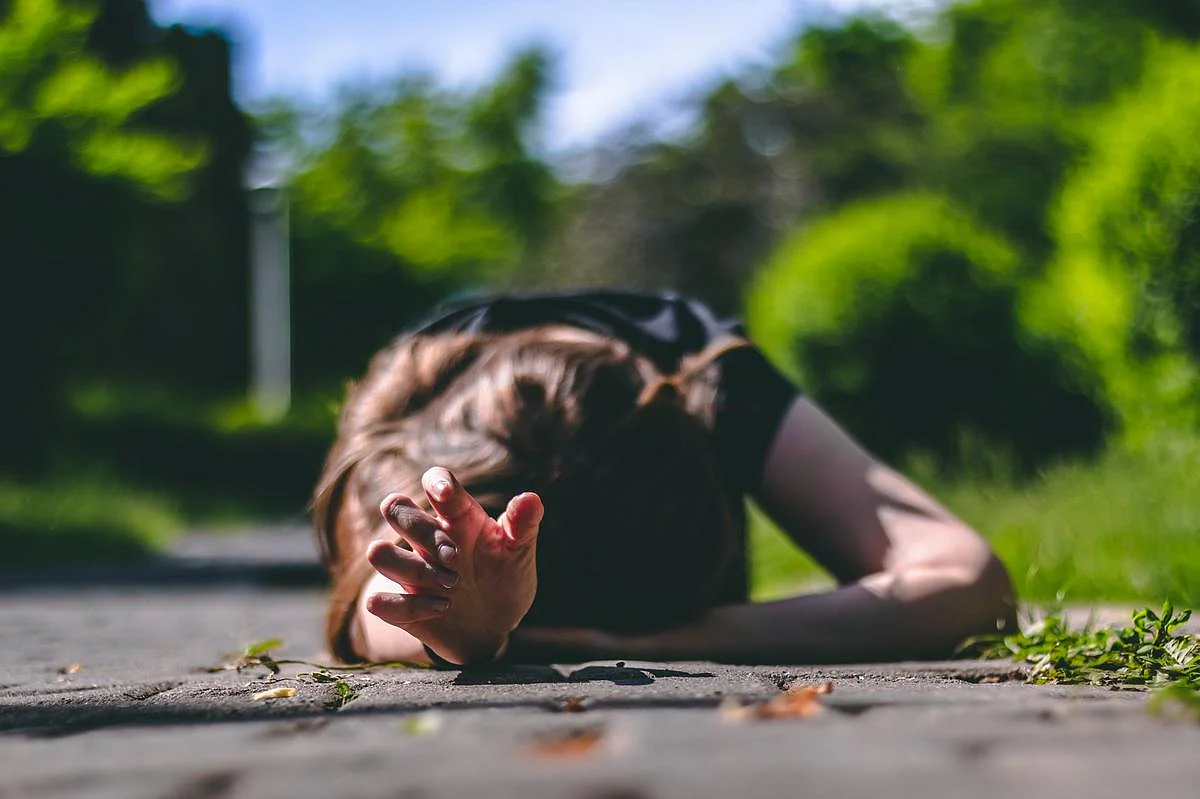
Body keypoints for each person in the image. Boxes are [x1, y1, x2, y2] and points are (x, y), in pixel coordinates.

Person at [312, 290, 1015, 667]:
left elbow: (968, 580)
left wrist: (666, 642)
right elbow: (377, 602)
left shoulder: (705, 370)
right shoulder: (398, 419)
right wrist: (465, 635)